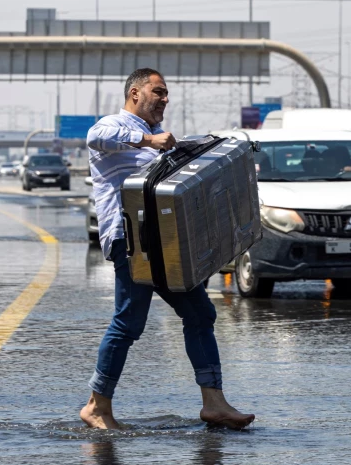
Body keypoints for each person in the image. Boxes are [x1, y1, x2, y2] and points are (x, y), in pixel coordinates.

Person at [80, 68, 255, 430]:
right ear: (134, 94)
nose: (165, 99)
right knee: (128, 322)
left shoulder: (158, 139)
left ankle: (214, 403)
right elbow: (96, 136)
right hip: (131, 243)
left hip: (166, 244)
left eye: (165, 94)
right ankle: (97, 405)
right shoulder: (114, 126)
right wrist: (149, 141)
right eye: (158, 92)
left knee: (200, 314)